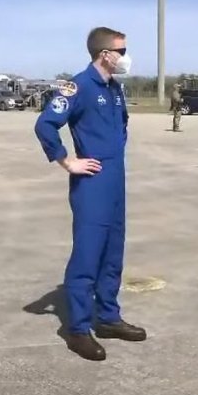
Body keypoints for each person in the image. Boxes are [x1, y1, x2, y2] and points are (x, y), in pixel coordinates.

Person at [33, 26, 147, 362]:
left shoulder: (114, 88)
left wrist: (115, 152)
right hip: (92, 182)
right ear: (104, 55)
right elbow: (45, 124)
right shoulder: (79, 85)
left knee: (113, 251)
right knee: (88, 253)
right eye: (121, 51)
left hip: (115, 178)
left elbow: (122, 125)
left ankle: (108, 316)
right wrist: (68, 160)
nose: (125, 57)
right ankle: (79, 329)